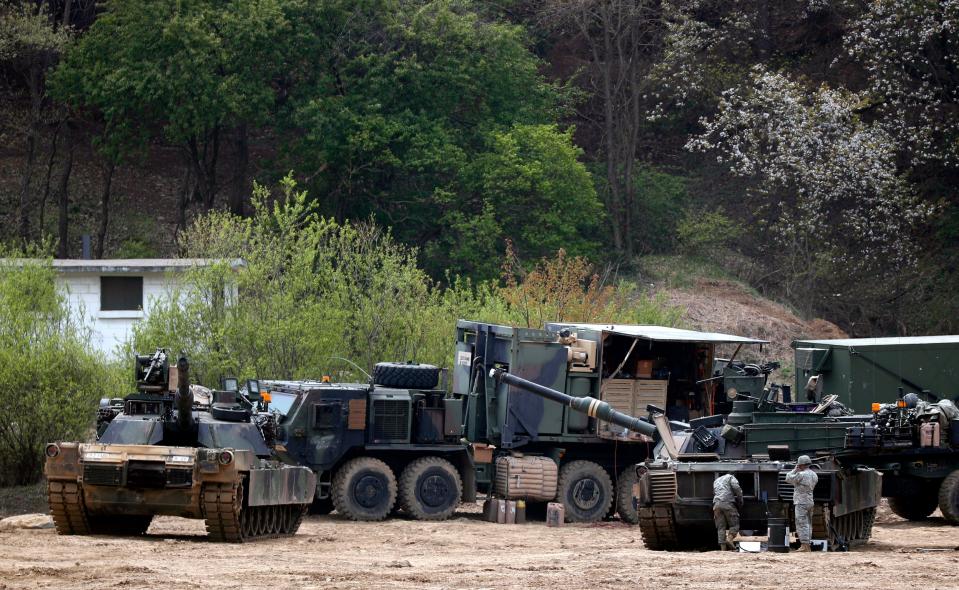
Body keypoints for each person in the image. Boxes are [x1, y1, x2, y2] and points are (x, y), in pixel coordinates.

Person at [785, 455, 819, 552]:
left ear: (801, 465)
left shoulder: (801, 475)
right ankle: (807, 544)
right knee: (808, 523)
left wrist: (795, 470)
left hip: (801, 502)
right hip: (809, 500)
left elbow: (788, 478)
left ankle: (804, 545)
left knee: (801, 523)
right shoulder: (814, 474)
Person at [712, 472, 743, 551]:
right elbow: (736, 488)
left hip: (716, 505)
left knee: (720, 527)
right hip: (728, 503)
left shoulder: (716, 480)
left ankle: (723, 549)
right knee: (734, 525)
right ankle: (730, 539)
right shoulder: (731, 477)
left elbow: (714, 492)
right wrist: (740, 500)